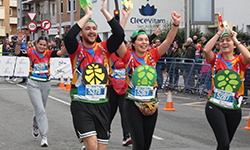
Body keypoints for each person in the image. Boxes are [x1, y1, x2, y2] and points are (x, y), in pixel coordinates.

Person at [63, 1, 124, 150]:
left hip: (102, 104)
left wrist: (104, 11)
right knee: (91, 145)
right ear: (82, 32)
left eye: (94, 29)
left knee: (100, 148)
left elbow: (119, 34)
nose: (91, 31)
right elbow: (68, 37)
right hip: (81, 103)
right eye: (87, 29)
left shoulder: (104, 48)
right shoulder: (76, 49)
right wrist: (87, 15)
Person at [116, 9, 181, 150]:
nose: (144, 42)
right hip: (132, 104)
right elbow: (117, 38)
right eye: (140, 39)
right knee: (139, 144)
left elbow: (168, 41)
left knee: (146, 145)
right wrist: (125, 18)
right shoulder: (128, 56)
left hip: (151, 105)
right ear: (133, 43)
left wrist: (175, 25)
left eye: (146, 39)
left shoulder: (153, 55)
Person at [15, 32, 67, 147]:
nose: (42, 47)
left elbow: (61, 52)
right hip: (33, 83)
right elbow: (17, 52)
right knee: (41, 111)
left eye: (44, 45)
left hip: (46, 84)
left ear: (47, 45)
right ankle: (44, 136)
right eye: (40, 44)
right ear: (36, 44)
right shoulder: (30, 52)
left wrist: (68, 42)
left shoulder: (48, 53)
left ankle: (35, 123)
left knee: (41, 109)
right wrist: (19, 42)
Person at [203, 23, 250, 150]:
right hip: (215, 105)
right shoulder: (216, 59)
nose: (224, 43)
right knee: (224, 143)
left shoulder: (240, 61)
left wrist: (235, 38)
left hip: (234, 108)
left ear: (234, 45)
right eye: (222, 41)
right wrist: (219, 33)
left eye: (227, 40)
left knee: (225, 145)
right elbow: (206, 50)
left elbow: (249, 57)